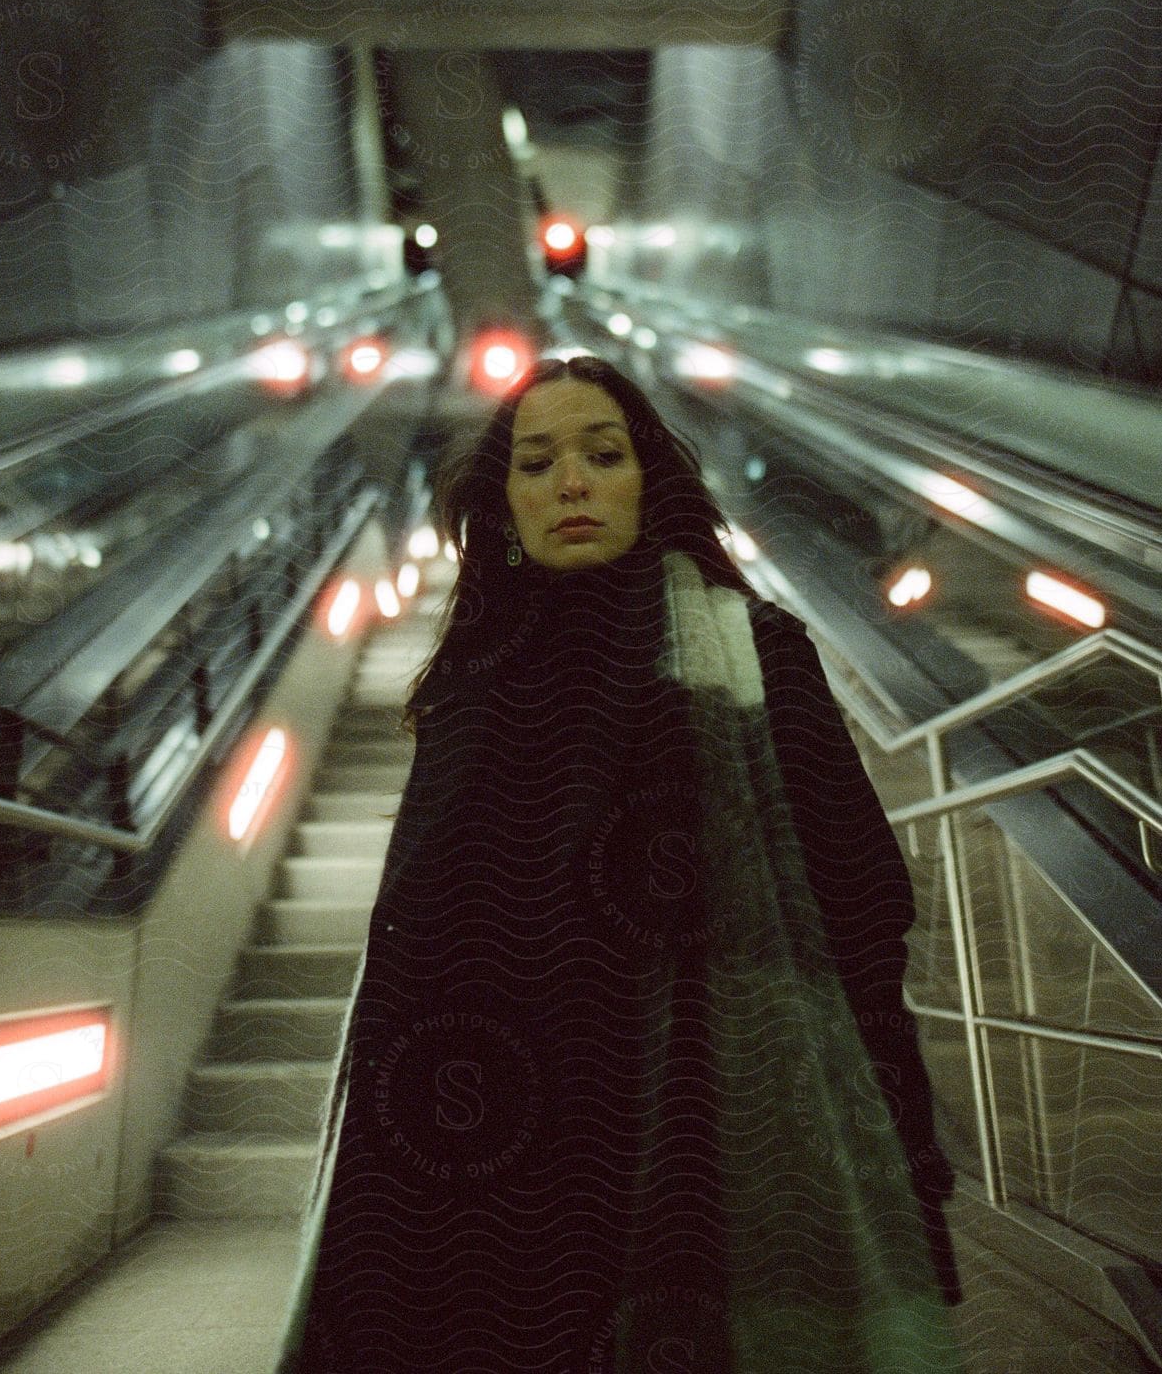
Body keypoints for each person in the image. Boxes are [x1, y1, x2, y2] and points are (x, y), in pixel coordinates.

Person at [277, 355, 964, 1372]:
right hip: (492, 1135)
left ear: (651, 481)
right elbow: (418, 931)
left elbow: (856, 893)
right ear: (503, 504)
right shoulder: (470, 684)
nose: (570, 484)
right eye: (537, 462)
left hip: (689, 1105)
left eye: (603, 455)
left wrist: (892, 1107)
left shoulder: (758, 650)